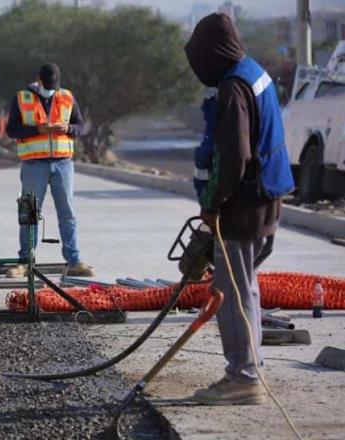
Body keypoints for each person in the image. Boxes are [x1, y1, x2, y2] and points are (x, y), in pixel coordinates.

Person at [185, 13, 294, 405]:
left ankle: (242, 378)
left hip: (244, 205)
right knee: (246, 286)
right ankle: (252, 367)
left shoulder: (233, 89)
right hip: (268, 199)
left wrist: (212, 204)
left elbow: (235, 159)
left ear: (213, 53)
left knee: (229, 292)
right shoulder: (254, 73)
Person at [4, 63, 93, 279]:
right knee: (29, 213)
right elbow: (11, 129)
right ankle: (25, 261)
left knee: (68, 214)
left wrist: (69, 129)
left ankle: (74, 261)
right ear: (39, 80)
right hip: (34, 165)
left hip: (63, 164)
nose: (51, 89)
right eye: (48, 85)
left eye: (55, 85)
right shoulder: (22, 98)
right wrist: (37, 130)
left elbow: (81, 126)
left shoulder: (67, 96)